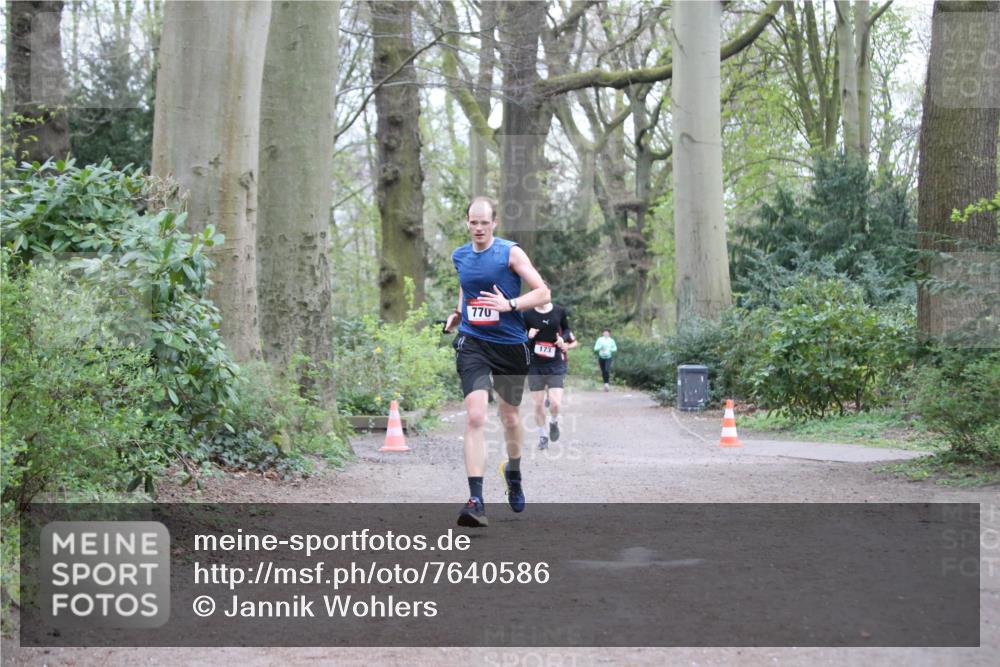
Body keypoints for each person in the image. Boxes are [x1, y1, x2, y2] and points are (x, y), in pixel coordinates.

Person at [443, 196, 550, 527]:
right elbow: (467, 287)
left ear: (495, 223)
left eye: (484, 223)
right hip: (474, 342)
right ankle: (476, 500)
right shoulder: (460, 256)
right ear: (466, 223)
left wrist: (510, 305)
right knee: (475, 416)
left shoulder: (510, 252)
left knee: (509, 417)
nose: (478, 228)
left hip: (510, 345)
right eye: (473, 222)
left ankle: (513, 471)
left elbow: (543, 293)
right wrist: (460, 312)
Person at [523, 302, 577, 450]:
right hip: (535, 364)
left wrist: (562, 339)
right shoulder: (527, 314)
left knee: (555, 403)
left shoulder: (559, 310)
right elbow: (518, 336)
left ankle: (553, 422)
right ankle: (542, 436)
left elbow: (566, 329)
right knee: (538, 404)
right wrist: (528, 335)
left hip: (555, 364)